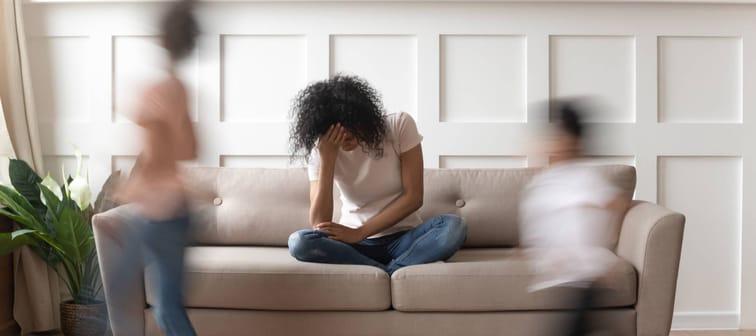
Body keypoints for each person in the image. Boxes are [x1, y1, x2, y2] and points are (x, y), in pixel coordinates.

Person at [287, 75, 467, 275]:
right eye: (336, 131)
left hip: (404, 238)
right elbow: (319, 224)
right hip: (354, 245)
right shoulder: (321, 151)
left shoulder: (399, 125)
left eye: (350, 126)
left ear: (362, 116)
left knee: (453, 226)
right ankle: (389, 272)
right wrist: (328, 159)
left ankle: (385, 271)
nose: (345, 136)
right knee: (298, 242)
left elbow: (414, 197)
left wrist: (360, 233)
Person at [105, 1, 200, 335]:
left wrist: (158, 121)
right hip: (169, 211)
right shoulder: (176, 88)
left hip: (162, 213)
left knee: (124, 295)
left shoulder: (161, 89)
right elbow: (187, 149)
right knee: (165, 308)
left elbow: (170, 153)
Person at [519, 100, 630, 335]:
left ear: (574, 143)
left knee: (572, 327)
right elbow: (541, 220)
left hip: (583, 274)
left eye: (558, 139)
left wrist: (609, 238)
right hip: (562, 273)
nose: (550, 146)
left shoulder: (582, 177)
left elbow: (617, 203)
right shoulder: (547, 180)